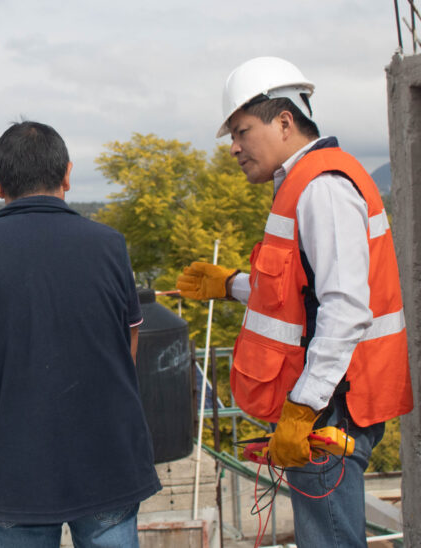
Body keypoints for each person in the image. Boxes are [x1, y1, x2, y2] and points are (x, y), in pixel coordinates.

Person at [176, 57, 413, 547]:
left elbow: (345, 309)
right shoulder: (304, 184)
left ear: (285, 121)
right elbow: (297, 294)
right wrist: (231, 285)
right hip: (326, 403)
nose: (235, 148)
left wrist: (303, 409)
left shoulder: (322, 188)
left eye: (242, 131)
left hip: (330, 410)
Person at [0, 121, 161, 548]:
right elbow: (126, 351)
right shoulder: (110, 244)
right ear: (67, 174)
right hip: (109, 462)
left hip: (15, 470)